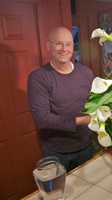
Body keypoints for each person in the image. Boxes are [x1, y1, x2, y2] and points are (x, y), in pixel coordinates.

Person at [28, 27, 95, 171]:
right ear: (48, 46)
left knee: (88, 190)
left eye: (68, 44)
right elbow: (42, 119)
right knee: (59, 191)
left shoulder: (86, 73)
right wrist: (82, 120)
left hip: (87, 144)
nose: (64, 48)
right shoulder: (39, 77)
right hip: (56, 152)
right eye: (58, 43)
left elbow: (95, 103)